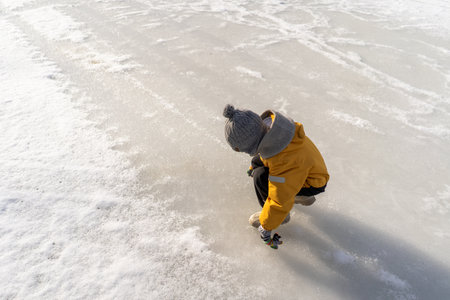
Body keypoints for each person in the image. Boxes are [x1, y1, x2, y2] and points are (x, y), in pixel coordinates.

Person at [223, 104, 329, 249]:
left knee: (260, 176)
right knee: (257, 163)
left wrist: (267, 226)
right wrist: (254, 164)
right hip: (308, 172)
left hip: (310, 183)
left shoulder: (284, 162)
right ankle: (300, 196)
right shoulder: (277, 133)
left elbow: (279, 199)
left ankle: (284, 214)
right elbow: (269, 155)